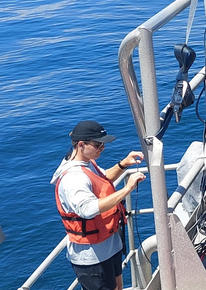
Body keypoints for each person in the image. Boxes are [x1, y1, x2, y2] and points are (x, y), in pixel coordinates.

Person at [52, 120, 146, 290]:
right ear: (81, 145)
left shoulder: (88, 163)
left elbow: (103, 178)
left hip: (109, 245)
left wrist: (124, 163)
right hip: (92, 257)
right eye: (98, 145)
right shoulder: (73, 178)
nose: (102, 148)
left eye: (103, 144)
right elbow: (87, 209)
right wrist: (127, 189)